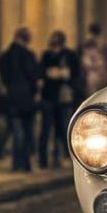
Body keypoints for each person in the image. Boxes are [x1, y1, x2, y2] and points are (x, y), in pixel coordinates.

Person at [0, 27, 41, 172]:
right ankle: (25, 163)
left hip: (12, 99)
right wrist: (34, 91)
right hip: (26, 99)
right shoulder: (28, 55)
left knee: (17, 132)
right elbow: (34, 76)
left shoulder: (5, 56)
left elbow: (3, 77)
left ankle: (17, 163)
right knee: (26, 132)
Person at [38, 31, 84, 168]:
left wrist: (63, 74)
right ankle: (45, 160)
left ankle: (64, 156)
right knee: (47, 129)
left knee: (64, 128)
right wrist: (50, 74)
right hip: (49, 96)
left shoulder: (69, 55)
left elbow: (75, 73)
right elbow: (41, 72)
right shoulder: (46, 55)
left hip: (64, 97)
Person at [81, 23, 107, 95]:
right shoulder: (104, 44)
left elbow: (85, 63)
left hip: (96, 75)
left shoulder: (90, 43)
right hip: (101, 75)